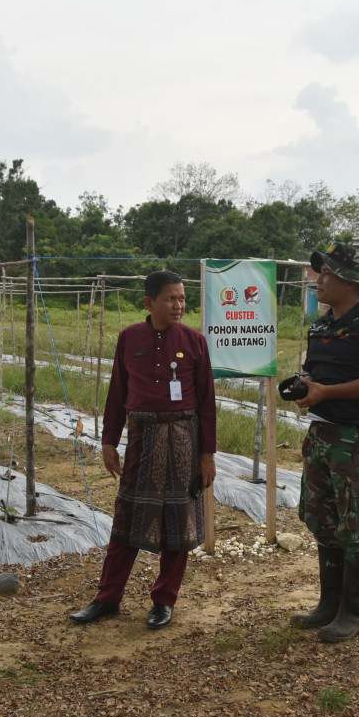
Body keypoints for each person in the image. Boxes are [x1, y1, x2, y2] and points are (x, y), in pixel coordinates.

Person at [69, 270, 216, 630]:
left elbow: (208, 401)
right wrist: (108, 440)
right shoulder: (129, 338)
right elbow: (117, 392)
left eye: (182, 298)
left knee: (178, 521)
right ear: (150, 303)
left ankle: (164, 601)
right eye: (171, 298)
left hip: (183, 436)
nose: (179, 305)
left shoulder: (195, 341)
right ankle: (107, 598)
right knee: (127, 517)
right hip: (142, 438)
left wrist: (207, 453)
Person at [289, 242, 359, 643]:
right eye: (320, 273)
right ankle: (328, 604)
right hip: (322, 433)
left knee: (357, 522)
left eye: (327, 274)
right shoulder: (321, 325)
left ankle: (353, 611)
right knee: (321, 517)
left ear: (351, 282)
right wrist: (305, 387)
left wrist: (327, 393)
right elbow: (317, 373)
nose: (319, 280)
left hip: (358, 440)